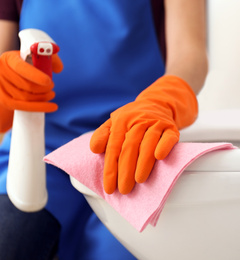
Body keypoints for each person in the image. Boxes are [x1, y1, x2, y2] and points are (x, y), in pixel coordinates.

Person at [0, 0, 208, 259]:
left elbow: (190, 55)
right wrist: (5, 90)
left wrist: (160, 101)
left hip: (132, 147)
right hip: (40, 151)